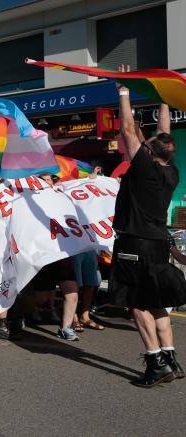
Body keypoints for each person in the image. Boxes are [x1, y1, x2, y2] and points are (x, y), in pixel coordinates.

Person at [110, 69, 186, 387]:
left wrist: (125, 91)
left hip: (135, 245)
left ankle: (155, 363)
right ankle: (171, 358)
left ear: (151, 153)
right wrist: (162, 98)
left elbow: (128, 128)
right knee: (157, 302)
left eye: (149, 141)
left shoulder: (143, 167)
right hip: (155, 243)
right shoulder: (171, 172)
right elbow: (164, 131)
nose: (146, 140)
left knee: (137, 303)